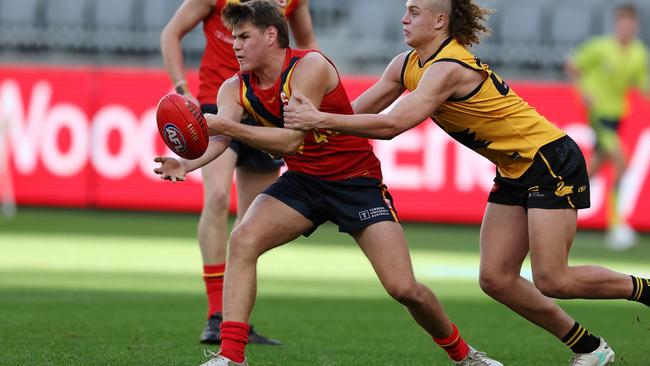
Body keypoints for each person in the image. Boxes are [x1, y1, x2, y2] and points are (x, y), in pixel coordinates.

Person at [283, 1, 650, 365]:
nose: (403, 18)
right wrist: (294, 129)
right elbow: (353, 115)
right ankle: (589, 347)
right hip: (513, 168)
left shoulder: (448, 69)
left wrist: (316, 119)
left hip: (549, 160)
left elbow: (392, 125)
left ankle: (646, 290)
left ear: (440, 20)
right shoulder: (405, 64)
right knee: (495, 279)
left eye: (414, 11)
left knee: (554, 279)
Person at [154, 1, 503, 365]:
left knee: (405, 289)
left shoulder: (310, 66)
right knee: (242, 239)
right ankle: (230, 356)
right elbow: (221, 140)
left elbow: (290, 141)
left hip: (356, 182)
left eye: (244, 37)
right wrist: (187, 163)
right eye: (234, 38)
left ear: (272, 34)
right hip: (303, 182)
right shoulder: (233, 88)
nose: (234, 46)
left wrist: (225, 126)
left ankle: (465, 355)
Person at [160, 0, 317, 345]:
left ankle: (236, 321)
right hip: (218, 104)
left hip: (267, 107)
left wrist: (302, 90)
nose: (236, 43)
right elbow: (171, 33)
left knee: (251, 226)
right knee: (216, 197)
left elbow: (306, 42)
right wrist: (182, 89)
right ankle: (215, 314)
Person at [565, 3, 649, 250]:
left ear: (636, 26)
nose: (627, 28)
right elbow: (572, 64)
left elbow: (642, 84)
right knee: (622, 161)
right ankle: (616, 225)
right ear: (616, 24)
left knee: (592, 169)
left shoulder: (638, 53)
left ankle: (562, 200)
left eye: (631, 24)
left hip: (617, 115)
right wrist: (583, 92)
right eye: (623, 23)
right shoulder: (600, 47)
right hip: (598, 113)